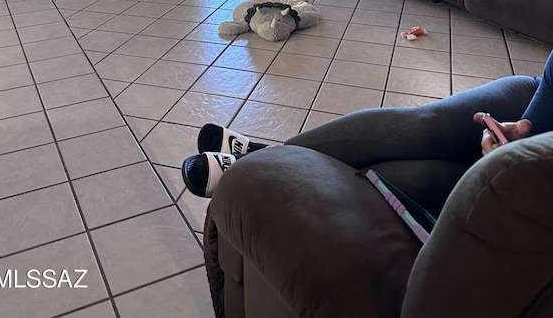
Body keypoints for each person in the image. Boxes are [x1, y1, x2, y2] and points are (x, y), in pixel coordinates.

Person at [182, 50, 553, 208]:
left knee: (403, 176)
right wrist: (523, 130)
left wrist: (517, 162)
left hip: (536, 181)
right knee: (423, 127)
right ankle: (269, 161)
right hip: (536, 100)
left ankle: (264, 162)